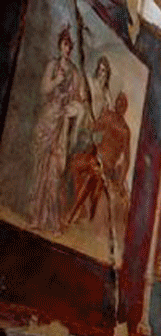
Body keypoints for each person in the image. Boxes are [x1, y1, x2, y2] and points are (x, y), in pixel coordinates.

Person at [27, 26, 85, 232]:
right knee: (40, 166)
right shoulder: (52, 65)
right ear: (60, 45)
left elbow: (77, 100)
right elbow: (44, 89)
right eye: (64, 44)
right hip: (48, 119)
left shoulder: (75, 73)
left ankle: (51, 219)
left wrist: (76, 110)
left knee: (55, 170)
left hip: (61, 124)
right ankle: (35, 217)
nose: (67, 49)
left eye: (70, 46)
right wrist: (56, 81)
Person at [64, 92, 131, 228]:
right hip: (94, 156)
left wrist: (121, 180)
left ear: (125, 108)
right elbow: (94, 130)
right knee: (75, 163)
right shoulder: (107, 115)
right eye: (118, 101)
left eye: (123, 103)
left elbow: (127, 159)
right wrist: (94, 141)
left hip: (107, 166)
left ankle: (74, 214)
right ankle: (82, 209)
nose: (119, 105)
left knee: (92, 176)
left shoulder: (125, 130)